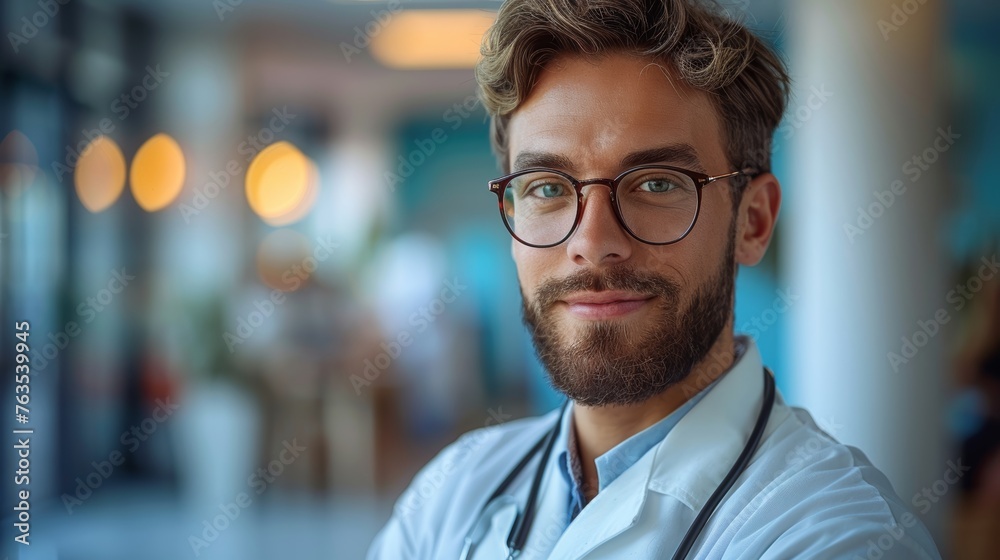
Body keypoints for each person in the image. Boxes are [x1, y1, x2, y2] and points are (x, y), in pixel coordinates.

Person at [368, 0, 942, 558]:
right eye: (547, 187)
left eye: (657, 183)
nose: (592, 245)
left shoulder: (834, 537)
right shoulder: (449, 497)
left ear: (753, 220)